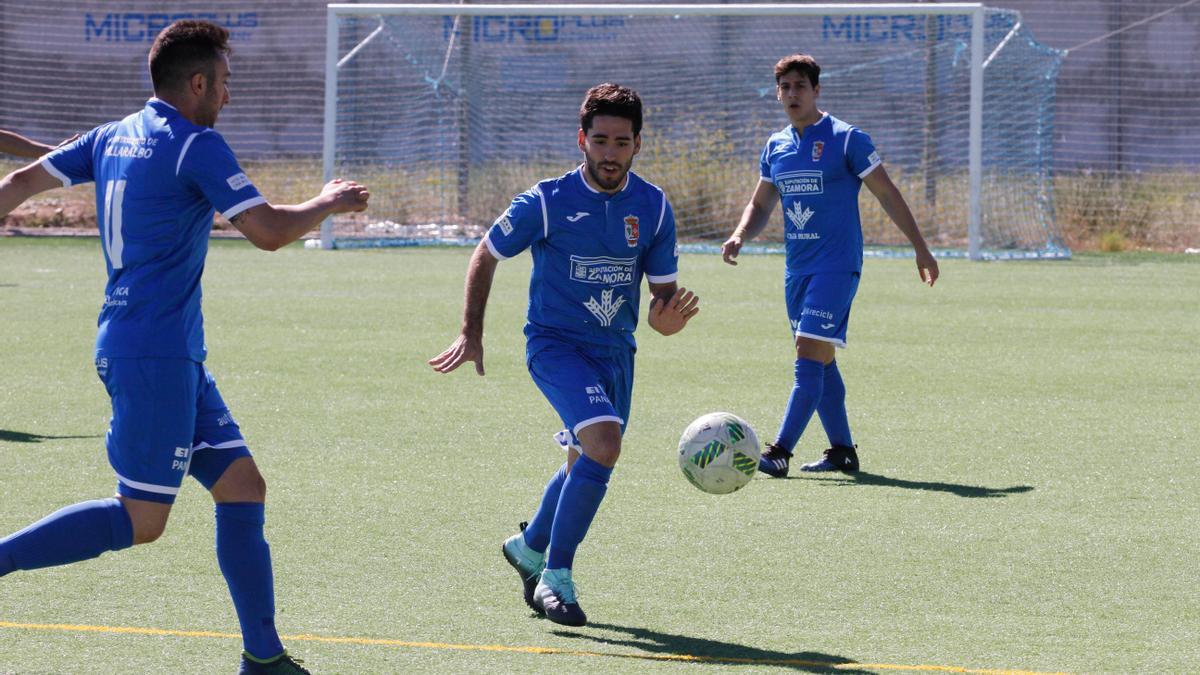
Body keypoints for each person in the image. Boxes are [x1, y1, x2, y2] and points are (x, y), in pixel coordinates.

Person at [0, 20, 369, 674]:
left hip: (159, 349)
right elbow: (267, 231)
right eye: (224, 83)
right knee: (142, 518)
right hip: (155, 356)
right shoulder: (198, 145)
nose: (228, 96)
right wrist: (328, 202)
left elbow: (17, 184)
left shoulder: (114, 134)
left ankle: (263, 656)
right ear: (196, 83)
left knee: (242, 485)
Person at [429, 83, 699, 628]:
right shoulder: (547, 201)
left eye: (621, 142)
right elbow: (487, 251)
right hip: (555, 345)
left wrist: (664, 320)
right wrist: (470, 330)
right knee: (604, 443)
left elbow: (662, 299)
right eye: (599, 140)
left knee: (583, 457)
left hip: (616, 351)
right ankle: (557, 576)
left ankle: (528, 547)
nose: (609, 153)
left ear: (637, 144)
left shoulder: (653, 206)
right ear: (582, 139)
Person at [721, 53, 939, 478]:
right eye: (784, 87)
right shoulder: (776, 145)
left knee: (807, 351)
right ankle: (842, 450)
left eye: (800, 86)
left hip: (837, 266)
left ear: (816, 90)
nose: (791, 94)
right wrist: (740, 234)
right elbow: (761, 202)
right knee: (821, 361)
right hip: (797, 271)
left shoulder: (847, 138)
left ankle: (780, 451)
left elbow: (888, 194)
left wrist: (921, 247)